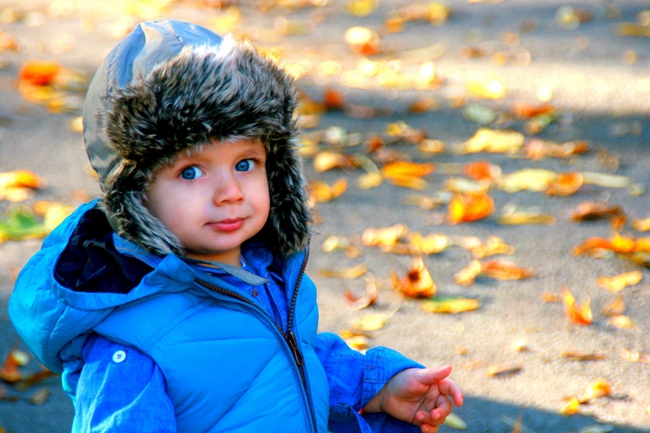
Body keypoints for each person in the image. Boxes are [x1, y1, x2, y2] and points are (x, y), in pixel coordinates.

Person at [8, 20, 463, 433]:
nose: (230, 192)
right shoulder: (129, 343)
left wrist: (379, 386)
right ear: (135, 191)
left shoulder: (264, 267)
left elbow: (286, 359)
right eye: (191, 171)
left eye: (246, 163)